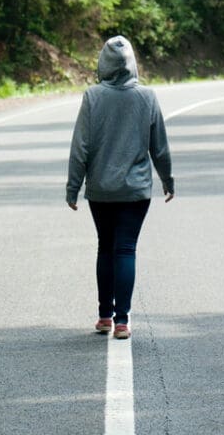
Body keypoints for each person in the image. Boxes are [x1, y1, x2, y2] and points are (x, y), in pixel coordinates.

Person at [66, 35, 174, 340]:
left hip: (101, 188)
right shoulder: (147, 97)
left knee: (105, 246)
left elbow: (80, 147)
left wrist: (72, 188)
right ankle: (122, 320)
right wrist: (167, 180)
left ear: (103, 63)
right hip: (135, 189)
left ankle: (104, 316)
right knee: (125, 248)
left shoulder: (92, 96)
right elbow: (160, 147)